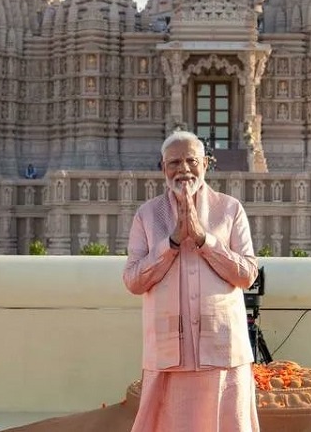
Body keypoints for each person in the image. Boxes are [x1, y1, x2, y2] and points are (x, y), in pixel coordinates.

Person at [123, 130, 261, 432]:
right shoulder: (147, 216)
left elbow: (248, 274)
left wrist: (203, 239)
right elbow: (133, 281)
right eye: (174, 162)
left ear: (205, 164)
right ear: (162, 168)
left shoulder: (230, 209)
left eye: (191, 161)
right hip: (168, 355)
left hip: (223, 350)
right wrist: (170, 243)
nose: (183, 169)